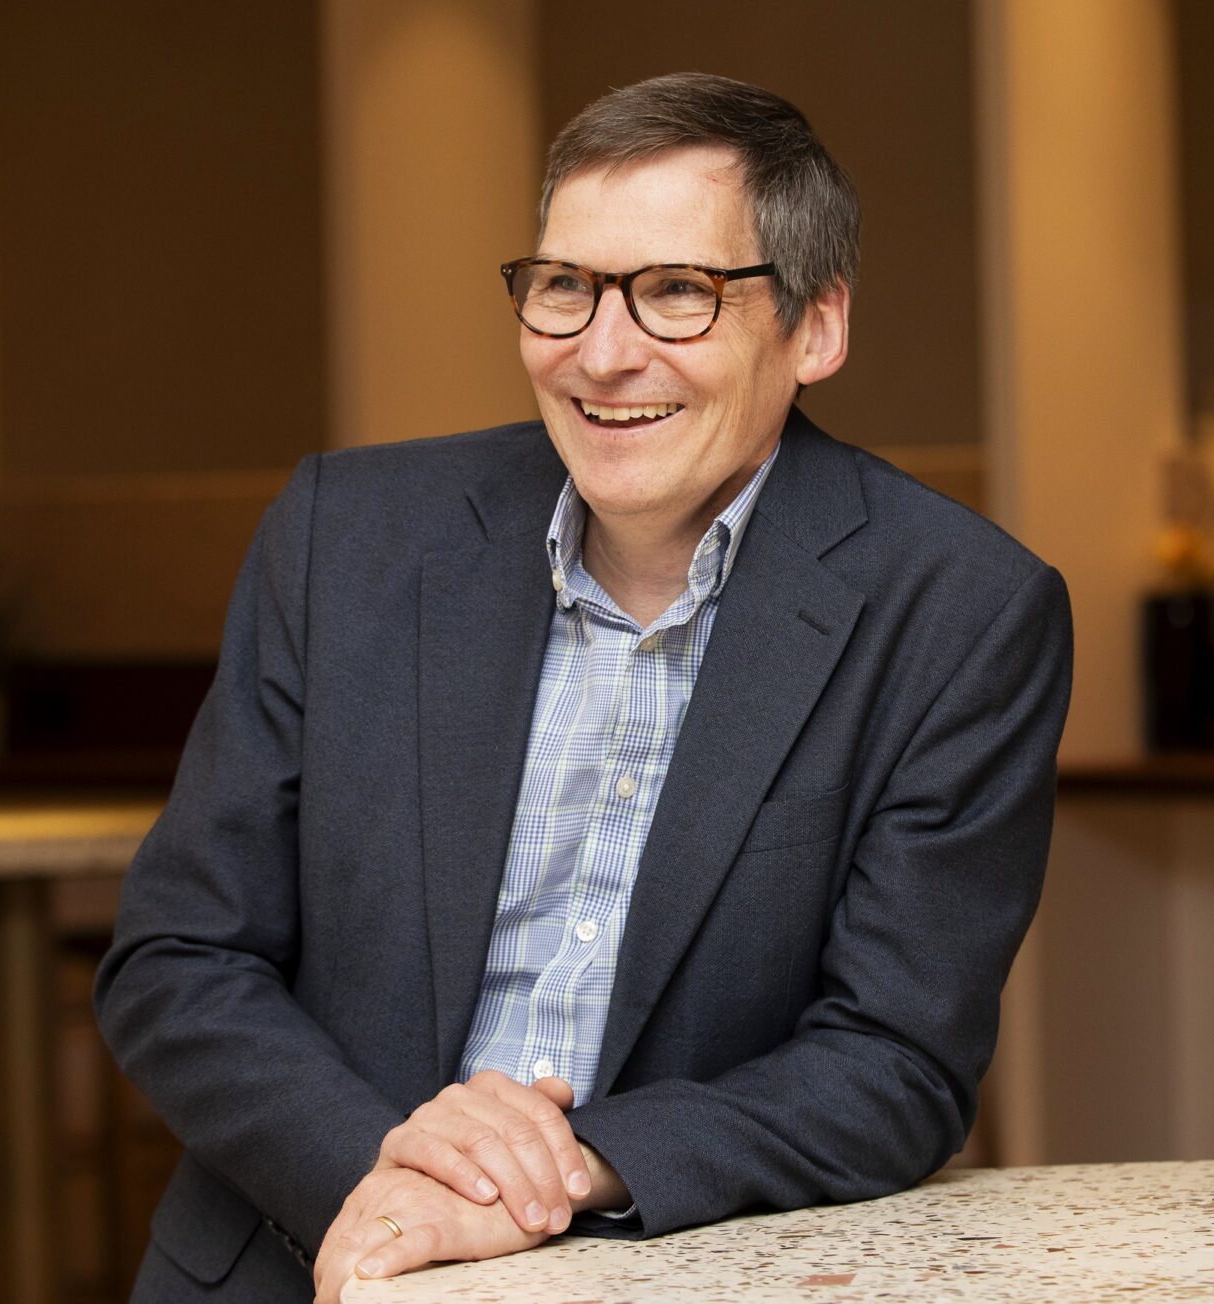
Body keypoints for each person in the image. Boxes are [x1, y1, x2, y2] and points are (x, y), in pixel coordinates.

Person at [95, 72, 1072, 1302]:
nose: (603, 356)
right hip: (298, 1254)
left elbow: (891, 1060)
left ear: (814, 328)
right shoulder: (343, 536)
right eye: (563, 288)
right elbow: (177, 958)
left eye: (678, 292)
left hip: (667, 1266)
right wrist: (386, 1169)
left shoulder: (962, 612)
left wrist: (572, 1166)